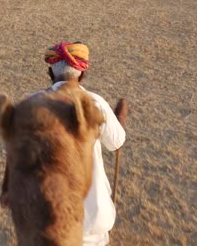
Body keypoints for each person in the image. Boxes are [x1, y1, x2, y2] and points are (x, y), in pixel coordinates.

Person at [42, 41, 126, 245]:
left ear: (50, 73)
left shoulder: (32, 105)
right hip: (94, 219)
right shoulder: (96, 103)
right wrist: (117, 119)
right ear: (82, 74)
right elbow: (116, 142)